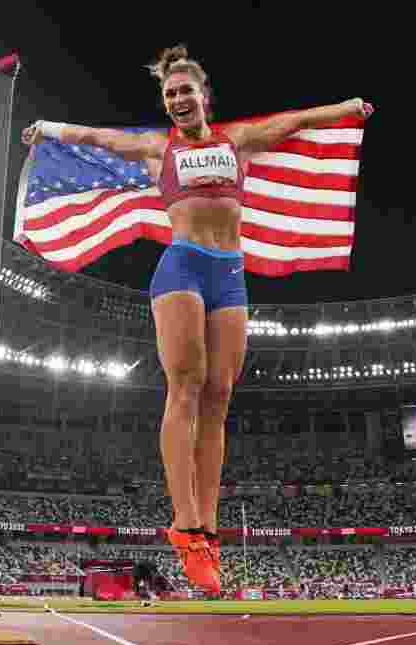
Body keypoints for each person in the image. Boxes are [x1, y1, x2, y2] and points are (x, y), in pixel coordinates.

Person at [23, 45, 373, 592]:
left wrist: (347, 108)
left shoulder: (238, 141)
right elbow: (96, 137)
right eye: (169, 94)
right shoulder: (156, 147)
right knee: (185, 385)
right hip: (181, 266)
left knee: (219, 396)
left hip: (229, 273)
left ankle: (208, 529)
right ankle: (184, 525)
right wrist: (47, 128)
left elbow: (297, 121)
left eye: (185, 90)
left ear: (203, 95)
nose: (178, 99)